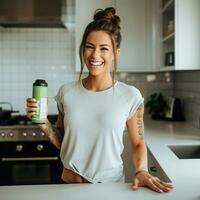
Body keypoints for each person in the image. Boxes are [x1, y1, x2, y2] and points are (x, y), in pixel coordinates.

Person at [26, 7, 173, 193]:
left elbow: (138, 143)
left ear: (116, 53)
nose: (95, 55)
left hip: (109, 189)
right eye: (89, 46)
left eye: (104, 48)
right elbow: (64, 141)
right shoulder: (66, 92)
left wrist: (141, 170)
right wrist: (44, 123)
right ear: (83, 49)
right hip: (67, 186)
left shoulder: (130, 96)